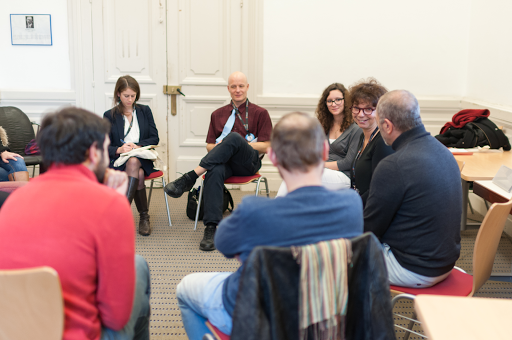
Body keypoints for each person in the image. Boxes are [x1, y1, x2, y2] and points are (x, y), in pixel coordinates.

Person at [176, 112, 364, 339]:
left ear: (273, 157)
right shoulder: (352, 205)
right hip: (321, 313)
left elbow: (224, 244)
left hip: (259, 312)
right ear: (325, 152)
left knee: (185, 287)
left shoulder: (254, 211)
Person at [0, 107, 151, 340]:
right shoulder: (110, 205)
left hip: (16, 331)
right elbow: (116, 317)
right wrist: (114, 200)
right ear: (93, 152)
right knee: (139, 266)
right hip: (77, 335)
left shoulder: (14, 200)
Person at [164, 71, 273, 251]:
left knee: (235, 138)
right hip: (225, 163)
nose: (237, 90)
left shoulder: (260, 113)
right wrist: (225, 147)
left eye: (241, 86)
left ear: (247, 87)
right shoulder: (218, 114)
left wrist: (238, 144)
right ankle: (211, 227)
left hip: (248, 163)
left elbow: (267, 146)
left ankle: (190, 177)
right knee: (214, 170)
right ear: (228, 89)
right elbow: (209, 146)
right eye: (233, 86)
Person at [364, 90, 462, 288]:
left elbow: (369, 230)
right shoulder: (443, 151)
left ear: (387, 125)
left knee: (331, 254)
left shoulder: (394, 164)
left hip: (412, 268)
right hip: (445, 263)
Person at [276, 83, 362, 196]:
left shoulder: (356, 129)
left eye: (338, 100)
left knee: (299, 176)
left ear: (346, 101)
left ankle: (276, 209)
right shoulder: (323, 126)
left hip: (343, 176)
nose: (334, 104)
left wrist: (320, 165)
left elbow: (348, 163)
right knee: (294, 174)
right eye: (330, 101)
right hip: (321, 170)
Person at [104, 75, 160, 236]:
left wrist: (138, 145)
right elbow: (105, 145)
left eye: (133, 96)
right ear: (118, 95)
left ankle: (121, 215)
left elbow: (154, 138)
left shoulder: (144, 111)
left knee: (135, 162)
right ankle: (144, 216)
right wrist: (120, 149)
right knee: (139, 175)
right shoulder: (110, 115)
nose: (130, 100)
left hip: (142, 156)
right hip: (120, 159)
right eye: (126, 96)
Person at [349, 78, 394, 207]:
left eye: (368, 109)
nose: (361, 114)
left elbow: (380, 188)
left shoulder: (383, 143)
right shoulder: (363, 136)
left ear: (380, 111)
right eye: (356, 108)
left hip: (372, 210)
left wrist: (351, 204)